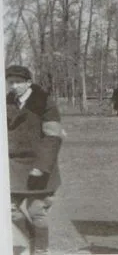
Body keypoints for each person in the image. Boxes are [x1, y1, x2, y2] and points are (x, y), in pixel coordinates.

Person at [6, 65, 63, 255]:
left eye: (18, 82)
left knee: (37, 210)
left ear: (29, 83)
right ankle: (32, 238)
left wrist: (41, 166)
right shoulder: (6, 102)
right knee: (8, 208)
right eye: (11, 82)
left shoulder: (44, 102)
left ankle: (40, 249)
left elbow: (53, 137)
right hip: (14, 166)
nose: (14, 86)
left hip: (40, 165)